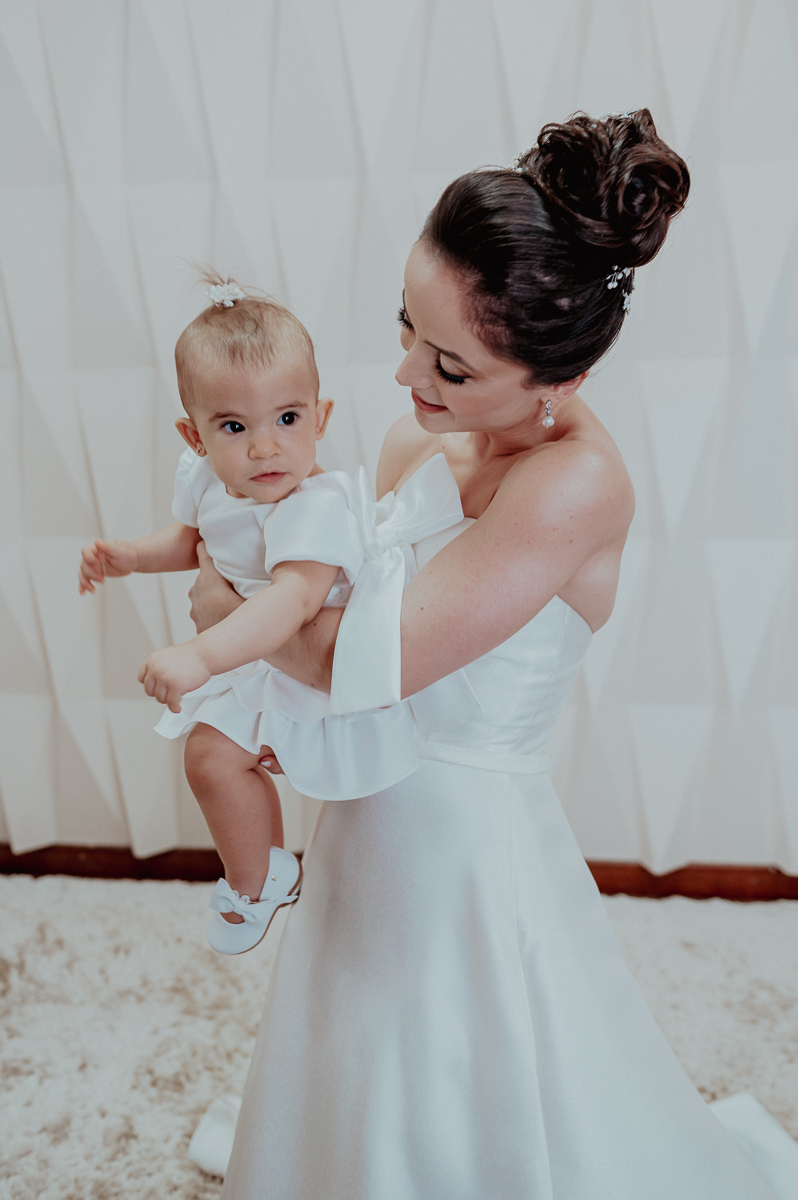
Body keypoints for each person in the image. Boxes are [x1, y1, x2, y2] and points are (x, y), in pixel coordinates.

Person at [189, 112, 788, 1198]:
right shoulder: (420, 427)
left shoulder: (576, 485)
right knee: (353, 1032)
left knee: (473, 1055)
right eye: (407, 328)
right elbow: (327, 598)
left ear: (558, 375)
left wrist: (216, 596)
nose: (407, 372)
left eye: (451, 366)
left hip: (461, 841)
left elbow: (362, 656)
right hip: (370, 794)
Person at [78, 278, 474, 956]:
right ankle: (263, 875)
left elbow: (292, 601)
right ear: (194, 436)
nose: (265, 448)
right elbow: (189, 541)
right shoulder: (209, 479)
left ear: (319, 420)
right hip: (248, 651)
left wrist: (199, 654)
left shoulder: (313, 505)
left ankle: (256, 881)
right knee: (210, 761)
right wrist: (129, 559)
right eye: (235, 427)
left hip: (310, 663)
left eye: (287, 420)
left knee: (219, 758)